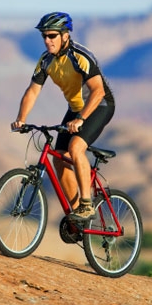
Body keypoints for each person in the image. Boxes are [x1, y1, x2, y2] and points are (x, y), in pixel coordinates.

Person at [11, 12, 115, 227]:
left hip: (99, 106)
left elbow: (97, 92)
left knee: (76, 147)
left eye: (51, 35)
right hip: (75, 109)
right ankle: (77, 214)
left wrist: (81, 119)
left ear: (65, 35)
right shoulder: (46, 60)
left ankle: (87, 204)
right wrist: (21, 119)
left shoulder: (80, 56)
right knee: (58, 158)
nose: (47, 40)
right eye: (44, 36)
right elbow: (32, 91)